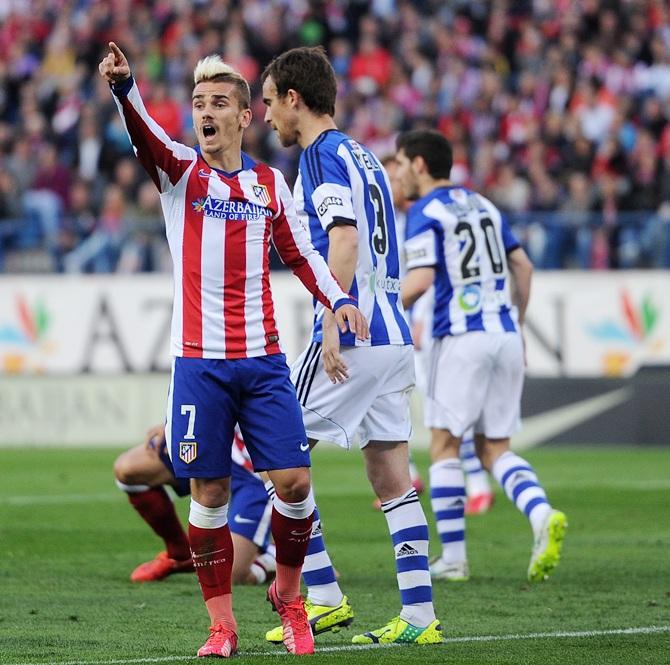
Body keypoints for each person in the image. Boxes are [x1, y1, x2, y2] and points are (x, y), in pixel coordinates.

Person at [99, 42, 368, 658]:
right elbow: (143, 135)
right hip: (198, 364)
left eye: (220, 102)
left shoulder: (271, 184)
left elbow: (301, 253)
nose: (206, 112)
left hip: (263, 360)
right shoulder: (181, 174)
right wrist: (125, 89)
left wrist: (335, 300)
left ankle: (292, 598)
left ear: (246, 115)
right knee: (210, 494)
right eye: (198, 103)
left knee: (294, 482)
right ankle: (222, 625)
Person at [262, 47, 443, 646]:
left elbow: (342, 240)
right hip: (393, 334)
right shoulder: (363, 153)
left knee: (275, 454)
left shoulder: (319, 157)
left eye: (269, 102)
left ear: (294, 99)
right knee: (390, 473)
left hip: (356, 332)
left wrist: (331, 321)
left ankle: (323, 595)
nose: (266, 117)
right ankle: (419, 617)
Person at [396, 129, 568, 583]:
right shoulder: (484, 205)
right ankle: (541, 514)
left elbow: (421, 279)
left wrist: (383, 310)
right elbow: (523, 267)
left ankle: (453, 558)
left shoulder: (425, 210)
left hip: (459, 339)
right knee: (494, 449)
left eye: (399, 163)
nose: (397, 173)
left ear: (418, 165)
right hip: (505, 334)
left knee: (443, 445)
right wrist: (517, 318)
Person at [384, 154, 494, 519]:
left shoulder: (424, 216)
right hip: (405, 325)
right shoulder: (394, 221)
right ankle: (411, 476)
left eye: (395, 175)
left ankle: (477, 484)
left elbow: (428, 277)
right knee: (390, 404)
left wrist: (417, 316)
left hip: (430, 325)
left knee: (444, 412)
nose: (391, 183)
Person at [114, 424, 276, 586]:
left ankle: (277, 554)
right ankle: (180, 554)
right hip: (218, 439)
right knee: (129, 468)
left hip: (259, 471)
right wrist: (175, 421)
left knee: (230, 574)